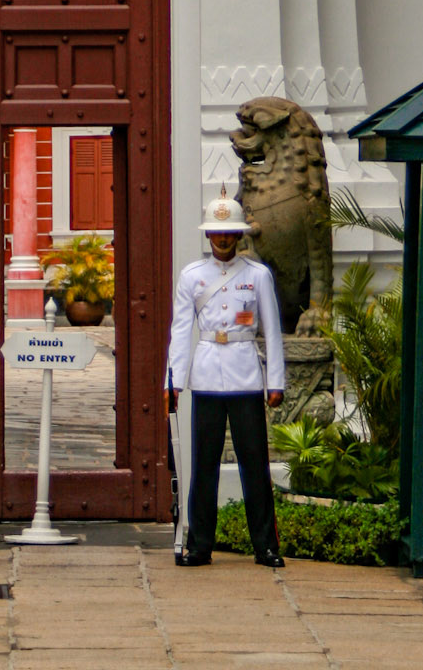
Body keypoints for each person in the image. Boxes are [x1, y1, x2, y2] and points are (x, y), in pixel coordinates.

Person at [165, 191, 286, 569]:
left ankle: (265, 546)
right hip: (205, 375)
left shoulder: (257, 275)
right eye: (216, 232)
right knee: (204, 465)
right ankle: (200, 545)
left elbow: (273, 330)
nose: (222, 239)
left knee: (255, 463)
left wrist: (275, 381)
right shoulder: (192, 276)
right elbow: (181, 330)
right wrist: (173, 381)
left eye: (229, 232)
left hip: (246, 374)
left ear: (239, 235)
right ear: (207, 236)